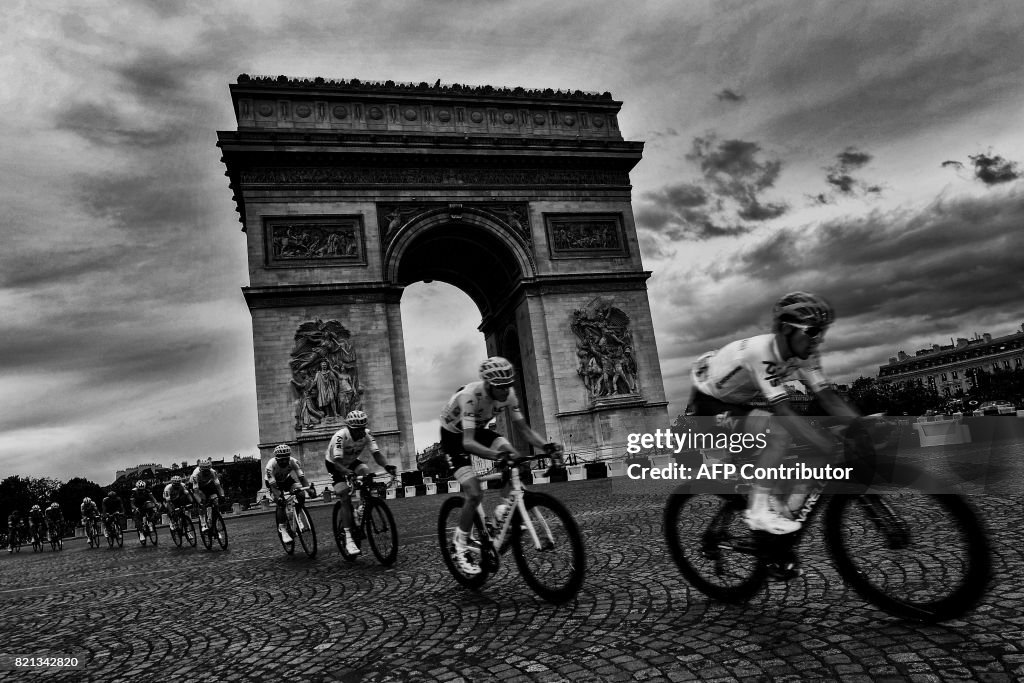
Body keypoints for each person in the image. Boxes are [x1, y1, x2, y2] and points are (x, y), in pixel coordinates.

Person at [690, 292, 860, 554]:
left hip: (739, 400)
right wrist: (826, 444)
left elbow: (827, 396)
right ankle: (758, 512)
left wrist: (860, 426)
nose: (819, 339)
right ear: (786, 329)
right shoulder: (763, 352)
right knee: (780, 431)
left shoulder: (805, 354)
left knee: (796, 448)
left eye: (822, 332)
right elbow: (783, 410)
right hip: (709, 402)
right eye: (813, 331)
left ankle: (781, 513)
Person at [439, 356, 563, 575]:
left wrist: (547, 446)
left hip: (479, 430)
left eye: (509, 386)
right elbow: (468, 442)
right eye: (501, 388)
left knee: (516, 460)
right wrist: (498, 456)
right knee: (474, 492)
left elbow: (524, 430)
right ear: (488, 385)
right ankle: (460, 545)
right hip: (454, 437)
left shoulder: (508, 394)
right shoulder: (469, 397)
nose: (506, 392)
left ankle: (503, 511)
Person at [324, 410, 398, 555]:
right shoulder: (340, 437)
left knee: (366, 473)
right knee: (344, 495)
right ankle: (349, 538)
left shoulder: (367, 434)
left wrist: (387, 466)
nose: (360, 433)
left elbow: (376, 454)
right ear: (349, 428)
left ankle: (363, 506)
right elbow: (338, 464)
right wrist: (348, 474)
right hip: (335, 465)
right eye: (357, 430)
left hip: (351, 462)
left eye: (363, 428)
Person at [264, 444, 312, 544]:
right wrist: (279, 497)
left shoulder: (293, 461)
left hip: (286, 480)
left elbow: (302, 479)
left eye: (286, 459)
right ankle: (283, 529)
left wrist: (309, 490)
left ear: (289, 457)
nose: (284, 462)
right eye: (281, 460)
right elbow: (273, 486)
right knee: (281, 503)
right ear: (276, 459)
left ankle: (298, 515)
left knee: (301, 494)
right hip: (273, 483)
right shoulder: (270, 466)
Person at [189, 459, 225, 537]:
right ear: (200, 470)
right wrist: (200, 502)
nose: (206, 472)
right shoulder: (196, 475)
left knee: (215, 500)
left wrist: (222, 496)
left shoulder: (213, 472)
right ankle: (203, 524)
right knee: (202, 502)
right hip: (198, 487)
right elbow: (196, 492)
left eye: (207, 471)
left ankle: (215, 524)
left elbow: (218, 487)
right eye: (204, 471)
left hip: (208, 484)